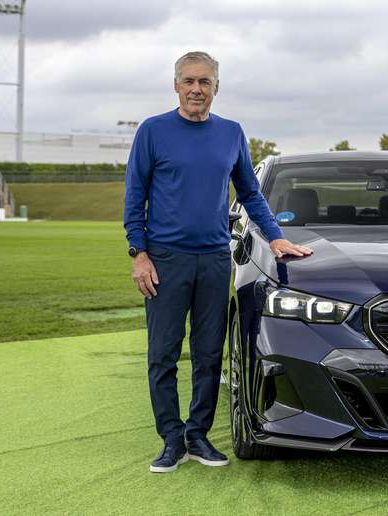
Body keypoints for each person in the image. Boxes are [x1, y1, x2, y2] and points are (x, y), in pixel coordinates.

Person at [123, 51, 312, 473]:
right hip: (165, 261)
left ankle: (197, 435)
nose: (196, 89)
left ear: (216, 88)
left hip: (213, 259)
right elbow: (135, 197)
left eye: (204, 82)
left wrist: (276, 238)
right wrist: (139, 254)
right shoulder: (153, 131)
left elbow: (250, 192)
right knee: (164, 355)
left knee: (209, 354)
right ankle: (171, 439)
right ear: (176, 85)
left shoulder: (231, 133)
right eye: (188, 81)